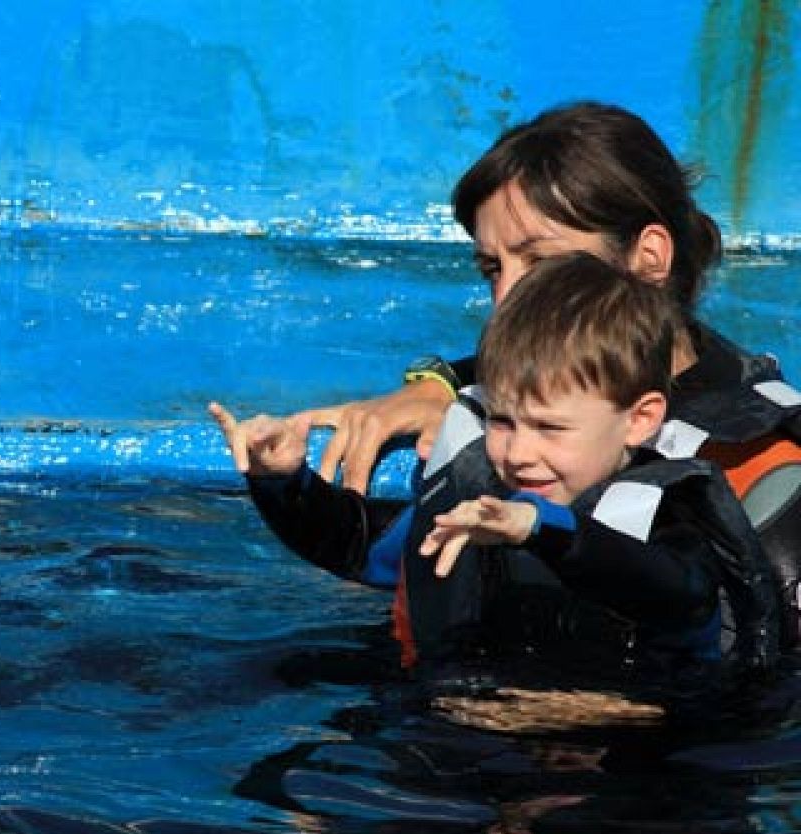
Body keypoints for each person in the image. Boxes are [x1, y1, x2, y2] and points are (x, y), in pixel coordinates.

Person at [286, 101, 801, 636]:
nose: (507, 297)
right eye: (492, 268)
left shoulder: (764, 466)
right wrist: (437, 386)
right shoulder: (484, 411)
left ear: (649, 258)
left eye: (542, 261)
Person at [210, 252, 786, 674]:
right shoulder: (478, 496)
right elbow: (359, 548)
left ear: (639, 419)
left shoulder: (669, 519)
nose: (517, 452)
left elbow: (672, 591)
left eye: (550, 428)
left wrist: (541, 528)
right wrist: (283, 482)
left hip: (633, 777)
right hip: (485, 745)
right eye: (502, 421)